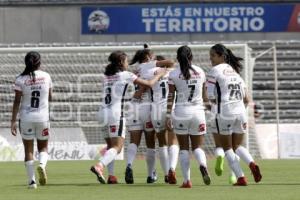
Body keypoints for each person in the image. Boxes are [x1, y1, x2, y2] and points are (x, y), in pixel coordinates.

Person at [90, 50, 167, 184]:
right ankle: (99, 166)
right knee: (118, 147)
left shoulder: (106, 76)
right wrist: (159, 74)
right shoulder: (126, 74)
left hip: (101, 113)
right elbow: (148, 85)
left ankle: (111, 176)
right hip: (115, 114)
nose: (127, 63)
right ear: (121, 62)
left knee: (110, 147)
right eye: (126, 61)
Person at [206, 43, 262, 186]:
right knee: (237, 145)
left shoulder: (214, 71)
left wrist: (209, 104)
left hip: (224, 111)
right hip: (241, 112)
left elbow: (209, 95)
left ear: (221, 56)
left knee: (228, 148)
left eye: (213, 55)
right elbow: (247, 99)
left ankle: (241, 178)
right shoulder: (236, 73)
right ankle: (252, 163)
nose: (210, 58)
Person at [125, 45, 175, 184]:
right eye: (153, 56)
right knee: (152, 144)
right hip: (147, 107)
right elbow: (171, 63)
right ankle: (157, 174)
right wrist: (162, 69)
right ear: (147, 58)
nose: (155, 59)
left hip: (133, 106)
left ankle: (129, 165)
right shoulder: (153, 67)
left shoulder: (136, 70)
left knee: (133, 141)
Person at [167, 45, 210, 188]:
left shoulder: (173, 74)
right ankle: (203, 164)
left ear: (177, 58)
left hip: (181, 113)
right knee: (197, 147)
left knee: (184, 148)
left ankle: (186, 181)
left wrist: (168, 115)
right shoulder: (200, 71)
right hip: (198, 112)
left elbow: (171, 96)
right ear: (191, 57)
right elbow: (205, 96)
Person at [11, 51, 52, 189]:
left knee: (28, 149)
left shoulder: (20, 79)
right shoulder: (46, 76)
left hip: (26, 118)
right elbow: (50, 97)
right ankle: (42, 165)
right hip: (43, 118)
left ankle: (32, 181)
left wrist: (13, 121)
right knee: (43, 147)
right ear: (39, 62)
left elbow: (17, 101)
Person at [144, 54, 179, 184]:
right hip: (172, 108)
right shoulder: (174, 73)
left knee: (162, 143)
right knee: (174, 141)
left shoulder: (150, 72)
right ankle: (172, 169)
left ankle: (166, 175)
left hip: (156, 109)